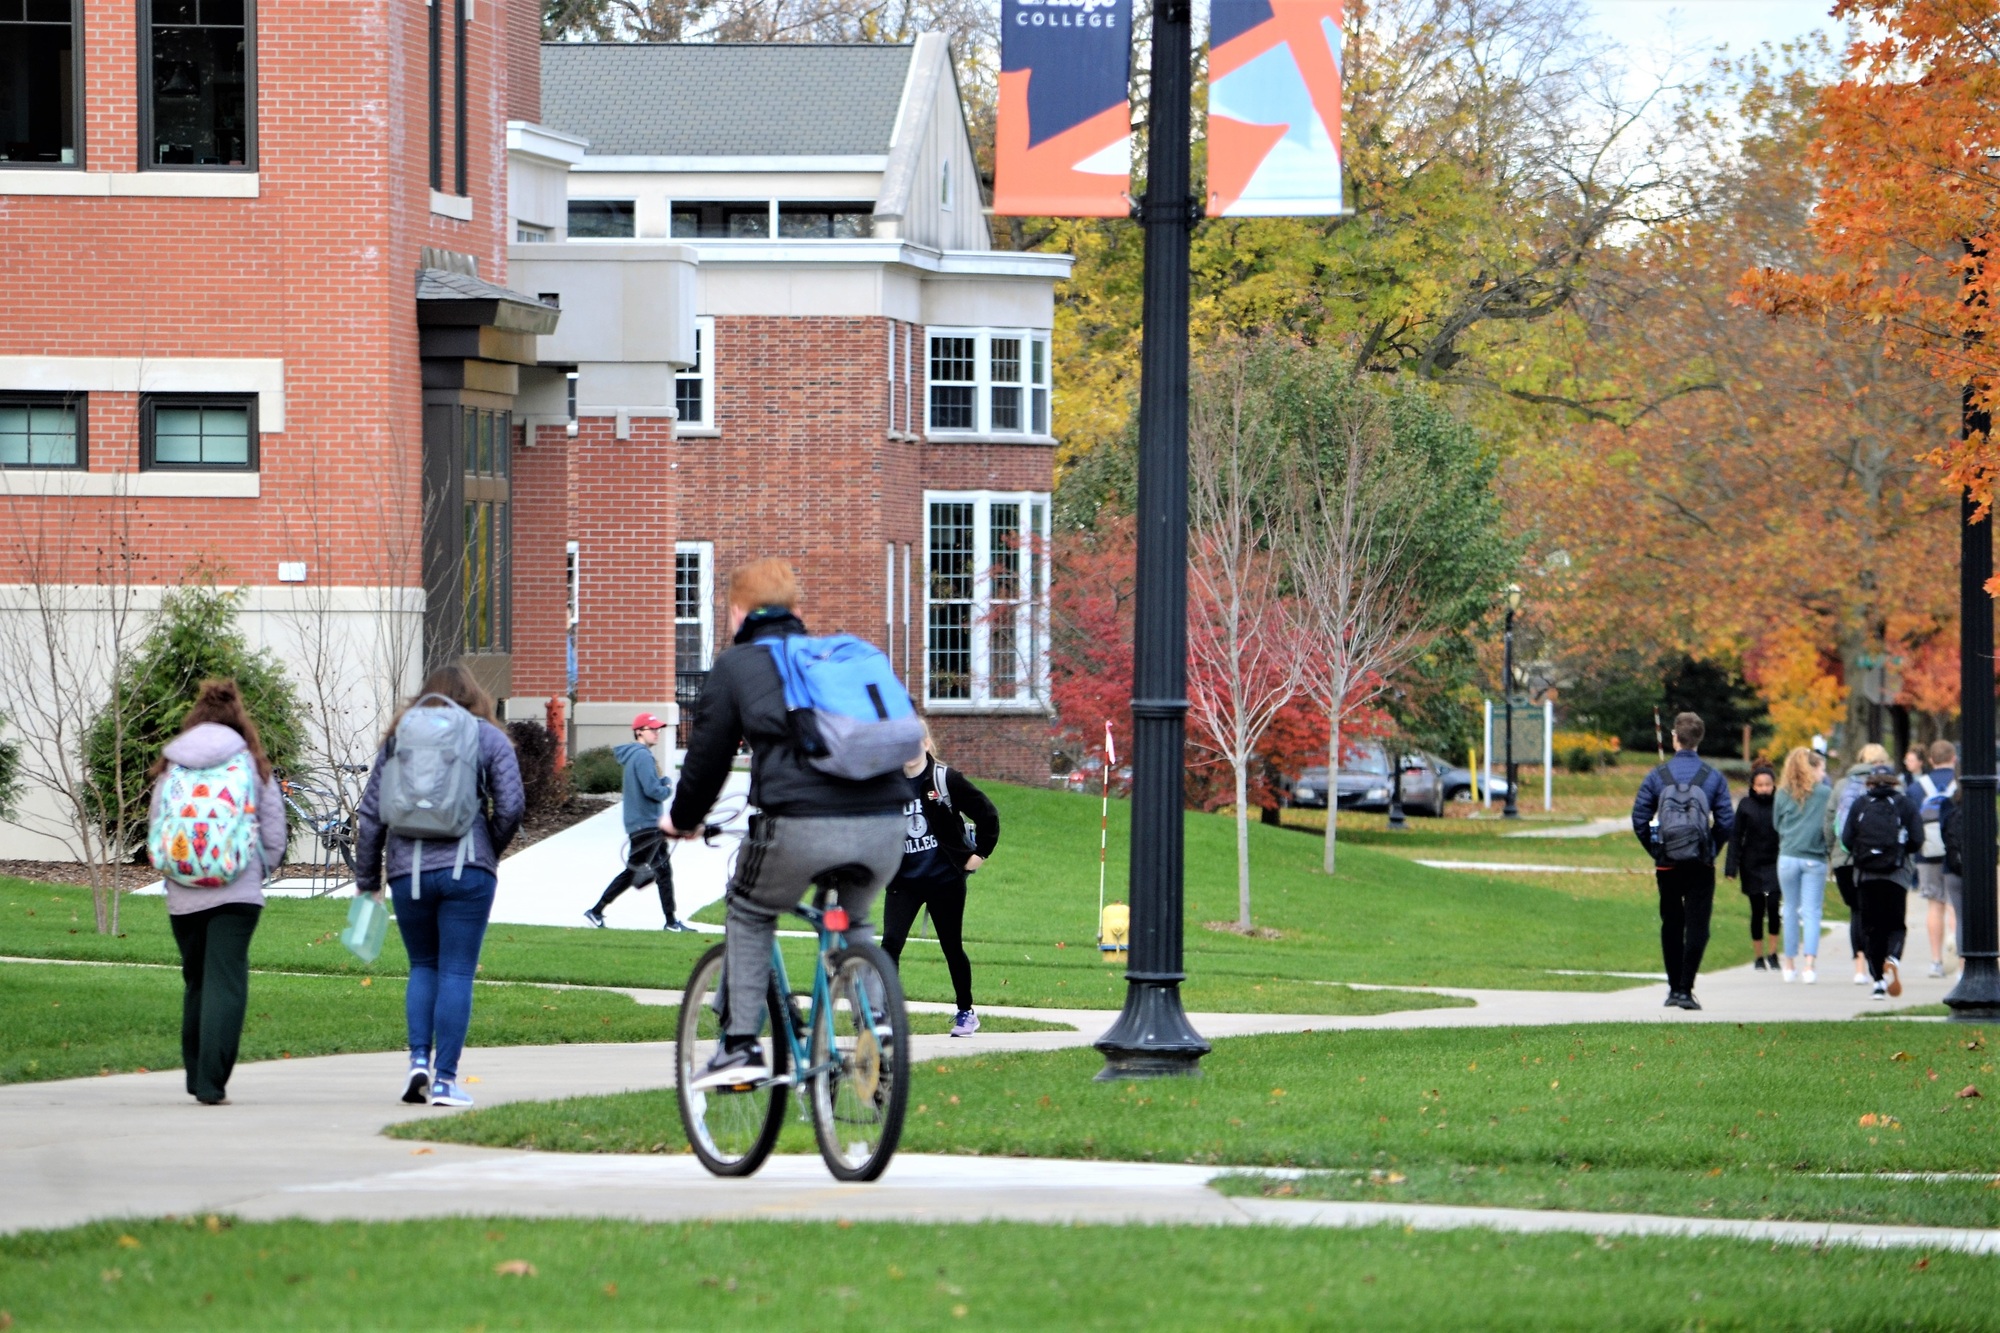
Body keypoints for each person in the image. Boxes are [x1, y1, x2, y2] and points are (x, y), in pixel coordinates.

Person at [662, 558, 908, 1089]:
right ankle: (879, 1024)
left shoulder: (738, 665)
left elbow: (707, 758)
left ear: (735, 613)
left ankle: (740, 1046)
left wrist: (681, 820)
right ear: (798, 611)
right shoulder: (847, 657)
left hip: (799, 828)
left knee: (750, 909)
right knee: (855, 917)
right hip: (889, 825)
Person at [354, 664, 525, 1108]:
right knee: (455, 971)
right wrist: (490, 848)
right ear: (474, 697)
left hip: (407, 872)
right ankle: (446, 1081)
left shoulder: (400, 738)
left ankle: (417, 1063)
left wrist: (368, 879)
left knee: (423, 966)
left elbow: (371, 814)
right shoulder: (485, 735)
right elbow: (511, 805)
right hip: (467, 868)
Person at [148, 679, 289, 1106]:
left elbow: (158, 823)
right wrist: (258, 869)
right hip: (238, 892)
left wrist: (177, 871)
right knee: (225, 981)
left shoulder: (175, 764)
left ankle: (195, 1075)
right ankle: (211, 1082)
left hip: (183, 891)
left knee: (196, 980)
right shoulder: (249, 764)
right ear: (238, 719)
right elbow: (274, 833)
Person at [880, 723, 1000, 1038]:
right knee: (890, 944)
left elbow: (988, 814)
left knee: (951, 946)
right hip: (903, 880)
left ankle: (966, 1012)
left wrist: (980, 854)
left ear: (925, 743)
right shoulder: (889, 783)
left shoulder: (945, 779)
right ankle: (887, 1013)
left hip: (944, 880)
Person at [1631, 711, 1735, 1010]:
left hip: (1668, 863)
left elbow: (1640, 818)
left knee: (1672, 922)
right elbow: (1726, 821)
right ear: (1699, 739)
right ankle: (1686, 988)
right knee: (1698, 924)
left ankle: (1673, 987)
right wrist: (1710, 849)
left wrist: (1657, 846)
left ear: (1675, 738)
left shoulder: (1658, 776)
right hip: (1700, 863)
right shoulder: (1712, 777)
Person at [583, 713, 685, 930]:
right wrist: (666, 786)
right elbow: (653, 791)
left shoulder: (635, 756)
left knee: (656, 871)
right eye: (652, 729)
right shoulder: (642, 757)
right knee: (643, 871)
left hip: (643, 824)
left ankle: (670, 921)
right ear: (639, 731)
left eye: (658, 729)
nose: (657, 733)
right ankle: (597, 911)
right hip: (646, 824)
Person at [1843, 762, 1924, 1000]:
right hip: (1896, 875)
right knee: (1896, 925)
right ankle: (1893, 958)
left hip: (1867, 875)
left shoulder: (1861, 804)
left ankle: (1877, 981)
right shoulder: (1904, 804)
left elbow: (1847, 839)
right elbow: (1917, 839)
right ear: (1893, 780)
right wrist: (1900, 851)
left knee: (1872, 928)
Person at [1826, 742, 1895, 985]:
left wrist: (1831, 852)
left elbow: (1830, 820)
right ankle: (1877, 963)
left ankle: (1859, 966)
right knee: (1876, 910)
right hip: (1873, 858)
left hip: (1843, 856)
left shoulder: (1842, 785)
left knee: (1856, 910)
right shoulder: (1886, 786)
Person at [1771, 746, 1832, 983]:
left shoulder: (1782, 793)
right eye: (1822, 768)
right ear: (1813, 768)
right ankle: (1809, 965)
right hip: (1814, 857)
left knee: (1790, 909)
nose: (1823, 773)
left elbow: (1776, 823)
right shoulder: (1824, 793)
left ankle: (1788, 964)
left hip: (1787, 855)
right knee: (1812, 911)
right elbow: (1829, 824)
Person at [1724, 762, 1781, 972]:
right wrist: (1731, 867)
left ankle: (1773, 953)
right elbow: (1736, 836)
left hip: (1775, 861)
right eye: (1760, 785)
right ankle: (1758, 955)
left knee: (1774, 906)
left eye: (1768, 784)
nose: (1764, 788)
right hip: (1752, 864)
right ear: (1753, 786)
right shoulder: (1746, 805)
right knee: (1757, 910)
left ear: (1774, 785)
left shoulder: (1779, 805)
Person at [1912, 739, 1961, 977]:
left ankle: (1936, 961)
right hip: (1956, 853)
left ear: (1931, 760)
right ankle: (1961, 962)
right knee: (1956, 907)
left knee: (1934, 906)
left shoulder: (1918, 787)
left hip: (1927, 852)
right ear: (1954, 758)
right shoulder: (1960, 783)